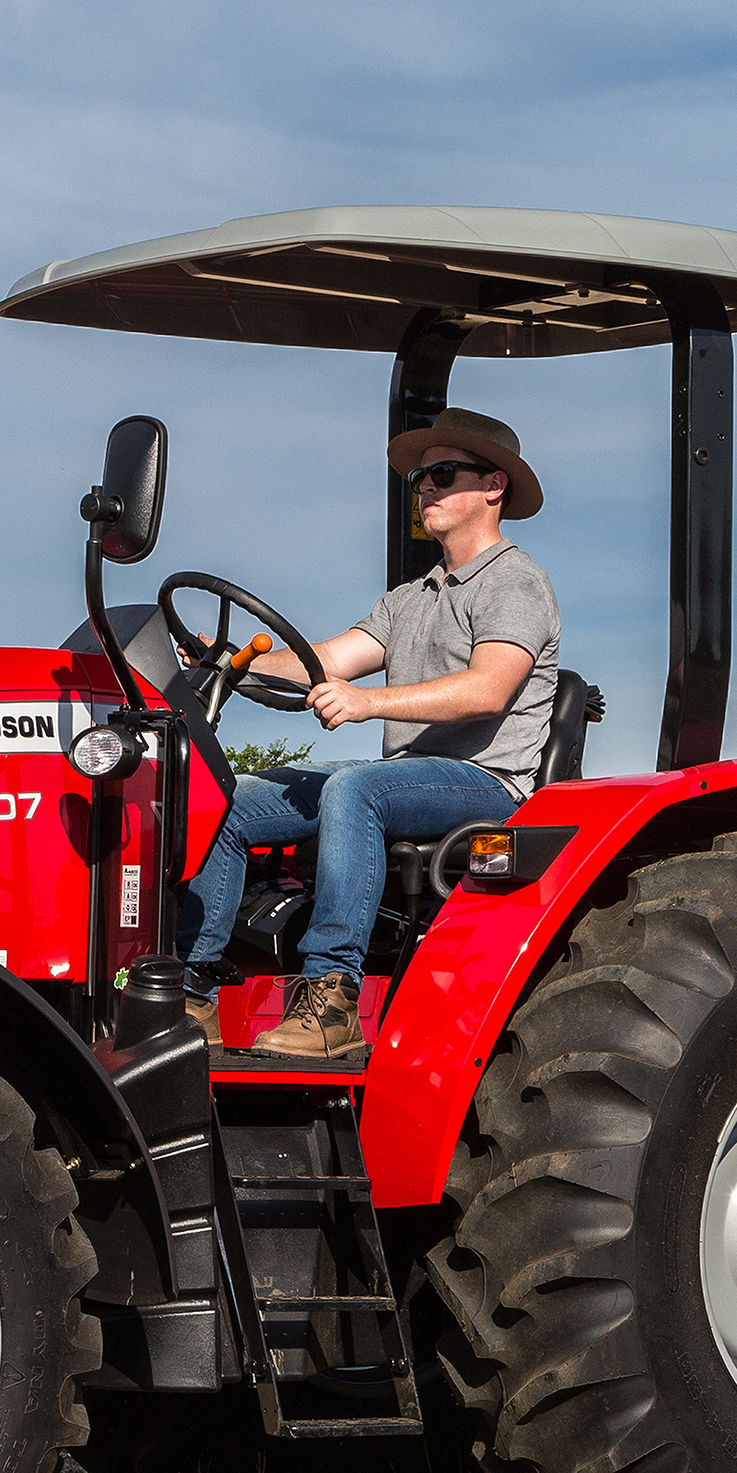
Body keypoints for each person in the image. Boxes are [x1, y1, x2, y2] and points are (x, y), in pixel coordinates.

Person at [184, 406, 563, 1061]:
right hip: (408, 781)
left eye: (443, 473)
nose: (426, 487)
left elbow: (488, 687)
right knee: (228, 796)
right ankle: (192, 995)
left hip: (490, 785)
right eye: (421, 476)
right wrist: (230, 659)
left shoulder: (515, 581)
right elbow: (327, 660)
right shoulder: (413, 595)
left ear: (494, 486)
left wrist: (367, 703)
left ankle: (331, 997)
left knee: (355, 789)